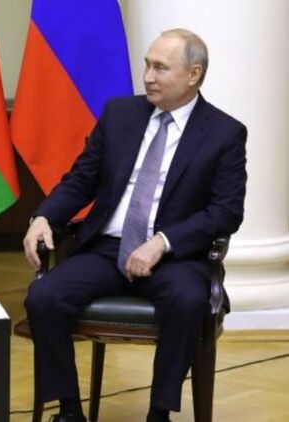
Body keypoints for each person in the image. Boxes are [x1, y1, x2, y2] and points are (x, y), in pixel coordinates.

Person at [23, 28, 246, 422]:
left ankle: (159, 413)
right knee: (43, 297)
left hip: (174, 257)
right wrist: (44, 216)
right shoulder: (119, 115)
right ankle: (69, 411)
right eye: (147, 65)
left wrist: (163, 241)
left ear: (193, 75)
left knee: (188, 302)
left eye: (161, 68)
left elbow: (225, 212)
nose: (148, 77)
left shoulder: (224, 133)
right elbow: (80, 180)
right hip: (107, 249)